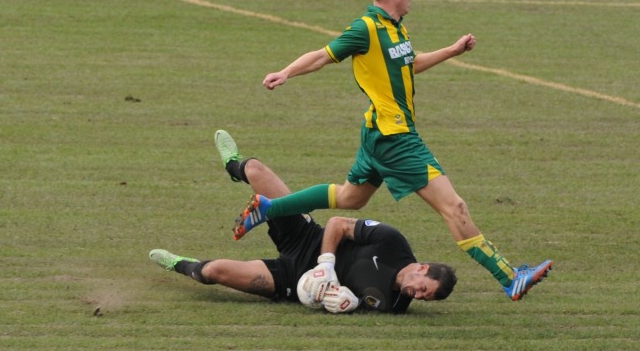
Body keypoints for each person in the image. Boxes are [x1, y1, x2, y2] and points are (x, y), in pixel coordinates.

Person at [232, 0, 551, 300]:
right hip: (396, 139)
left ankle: (269, 208)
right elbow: (323, 55)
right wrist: (286, 73)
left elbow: (408, 64)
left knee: (349, 197)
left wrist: (452, 50)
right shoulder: (366, 28)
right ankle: (508, 276)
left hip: (377, 134)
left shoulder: (396, 27)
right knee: (454, 208)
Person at [149, 131, 457, 314]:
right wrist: (326, 264)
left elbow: (349, 302)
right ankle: (233, 164)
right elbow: (337, 223)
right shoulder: (392, 243)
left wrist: (339, 303)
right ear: (422, 268)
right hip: (306, 238)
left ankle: (178, 263)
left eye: (424, 298)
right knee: (255, 170)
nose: (416, 296)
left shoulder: (392, 305)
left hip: (292, 279)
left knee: (212, 271)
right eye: (423, 289)